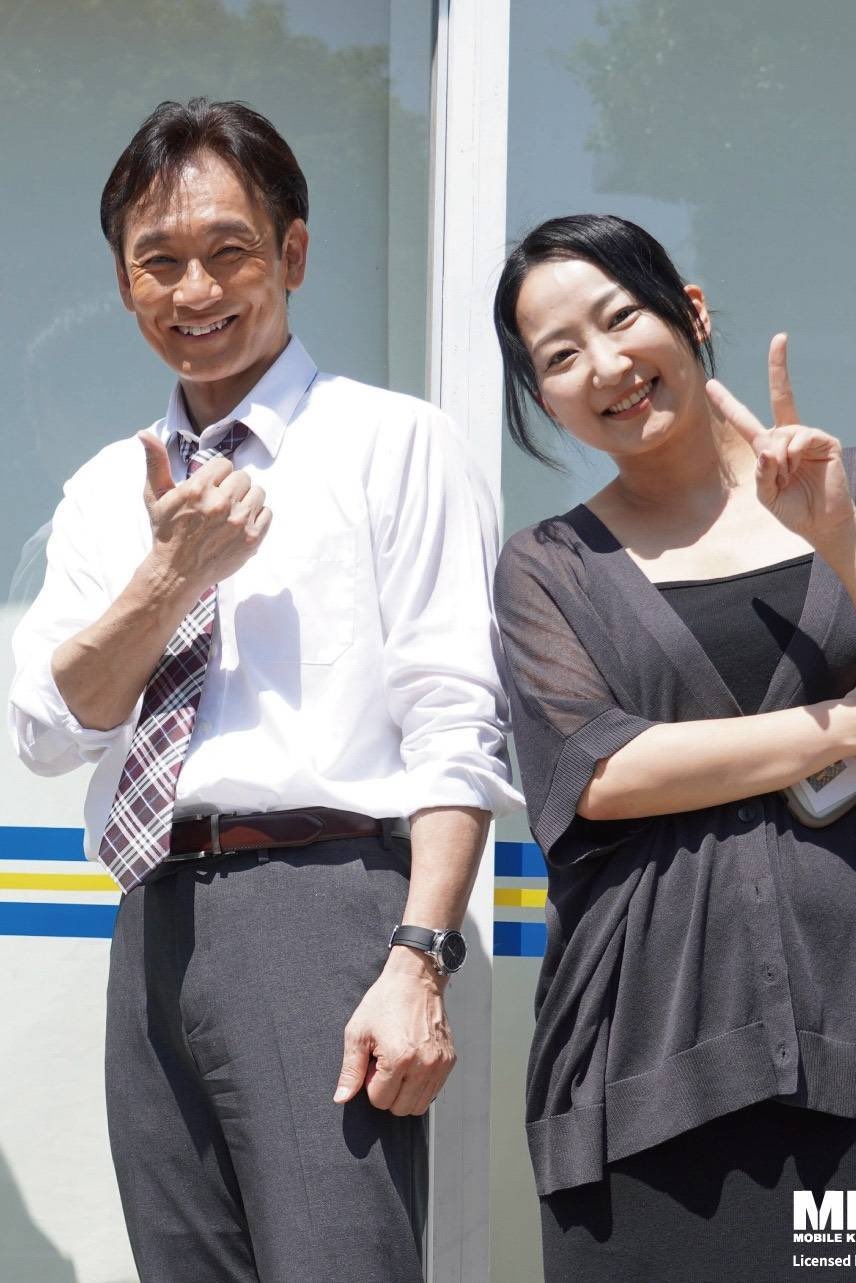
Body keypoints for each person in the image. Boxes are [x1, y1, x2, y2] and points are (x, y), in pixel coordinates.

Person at [8, 97, 520, 1283]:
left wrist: (419, 955)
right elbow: (47, 727)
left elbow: (457, 718)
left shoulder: (395, 443)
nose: (195, 290)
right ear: (124, 281)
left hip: (326, 903)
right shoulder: (104, 490)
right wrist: (169, 576)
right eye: (159, 260)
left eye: (228, 250)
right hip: (153, 919)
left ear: (292, 251)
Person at [491, 213, 856, 1282]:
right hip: (639, 1078)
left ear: (690, 313)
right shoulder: (548, 566)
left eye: (621, 317)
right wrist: (851, 726)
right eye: (559, 357)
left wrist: (839, 537)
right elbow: (601, 774)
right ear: (544, 396)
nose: (604, 366)